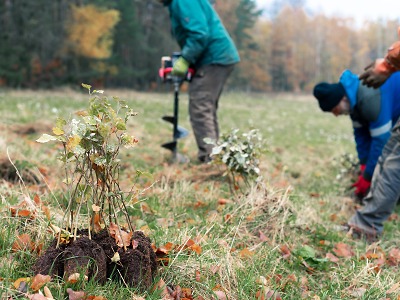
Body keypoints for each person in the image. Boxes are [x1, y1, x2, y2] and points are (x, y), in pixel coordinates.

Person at [158, 0, 240, 163]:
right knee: (206, 109)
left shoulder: (183, 1)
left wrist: (186, 59)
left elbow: (199, 34)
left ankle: (210, 160)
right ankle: (215, 156)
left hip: (215, 58)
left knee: (200, 108)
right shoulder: (175, 4)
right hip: (216, 58)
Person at [341, 27, 400, 240]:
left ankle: (367, 226)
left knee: (394, 160)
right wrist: (366, 166)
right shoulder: (357, 108)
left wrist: (388, 65)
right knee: (390, 156)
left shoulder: (368, 101)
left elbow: (379, 138)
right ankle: (368, 219)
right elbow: (362, 138)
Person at [313, 69, 400, 199]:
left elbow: (382, 142)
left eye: (335, 109)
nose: (336, 115)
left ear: (342, 99)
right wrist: (364, 164)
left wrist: (367, 177)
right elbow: (361, 137)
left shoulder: (370, 98)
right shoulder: (353, 104)